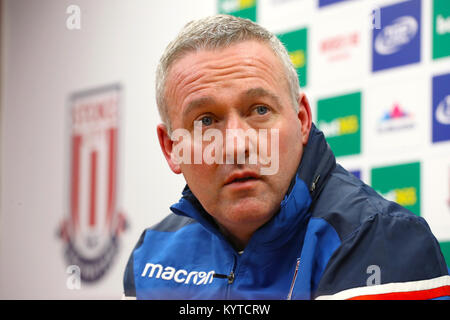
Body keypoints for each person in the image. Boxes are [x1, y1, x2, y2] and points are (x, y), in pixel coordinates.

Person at [123, 14, 450, 300]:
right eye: (206, 120)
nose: (237, 145)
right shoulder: (150, 259)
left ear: (302, 119)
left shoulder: (381, 240)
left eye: (260, 110)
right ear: (171, 148)